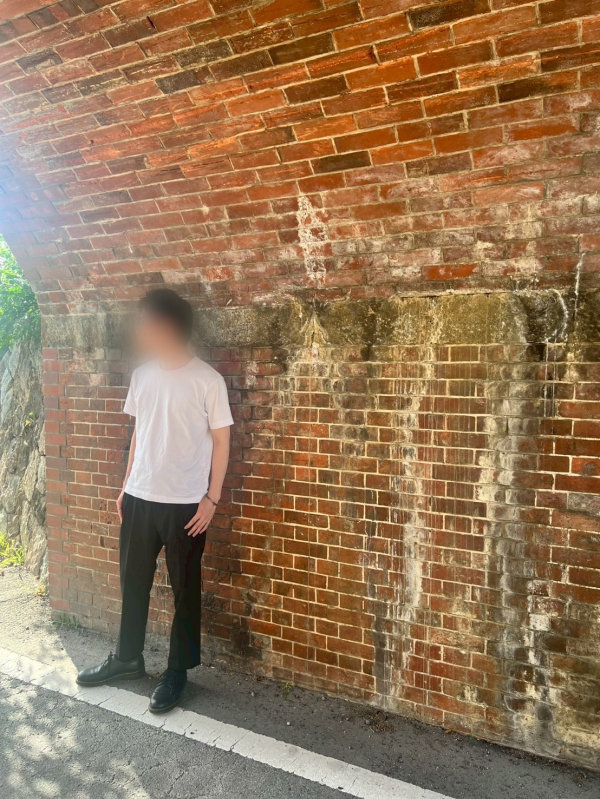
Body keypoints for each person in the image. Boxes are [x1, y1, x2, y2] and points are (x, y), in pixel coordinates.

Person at [77, 289, 233, 713]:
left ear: (167, 325)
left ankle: (177, 671)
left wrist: (212, 499)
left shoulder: (207, 381)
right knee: (133, 583)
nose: (140, 329)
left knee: (185, 590)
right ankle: (127, 659)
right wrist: (126, 485)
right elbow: (139, 434)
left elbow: (222, 442)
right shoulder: (143, 375)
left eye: (145, 321)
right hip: (140, 498)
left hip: (187, 505)